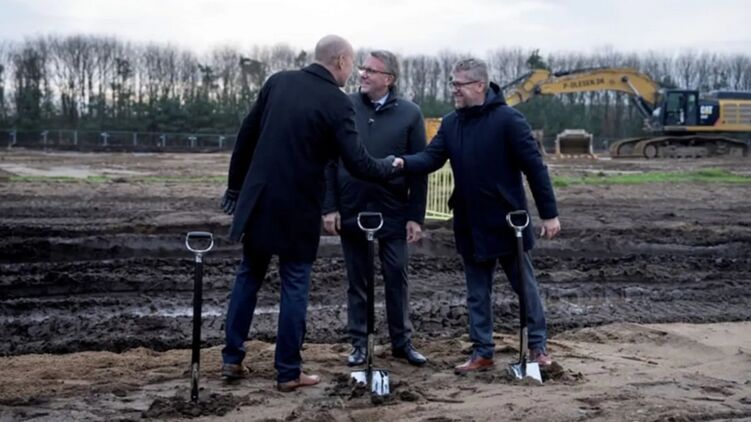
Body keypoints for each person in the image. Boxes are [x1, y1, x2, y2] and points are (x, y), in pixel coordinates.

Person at [219, 35, 397, 392]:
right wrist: (389, 166)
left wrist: (235, 187)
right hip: (298, 207)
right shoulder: (337, 101)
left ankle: (231, 358)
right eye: (353, 64)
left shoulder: (278, 82)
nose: (353, 71)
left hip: (259, 200)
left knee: (249, 276)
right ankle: (288, 372)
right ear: (341, 61)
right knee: (295, 284)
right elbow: (357, 162)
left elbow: (246, 135)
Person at [392, 58, 561, 374]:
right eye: (453, 84)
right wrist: (403, 162)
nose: (454, 90)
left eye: (459, 84)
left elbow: (535, 168)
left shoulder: (509, 120)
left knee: (525, 289)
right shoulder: (451, 123)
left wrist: (549, 214)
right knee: (477, 293)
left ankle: (538, 348)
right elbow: (431, 158)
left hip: (508, 222)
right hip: (469, 222)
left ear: (480, 85)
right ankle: (482, 352)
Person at [322, 50, 428, 367]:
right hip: (352, 207)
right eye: (363, 68)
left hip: (393, 209)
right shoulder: (344, 106)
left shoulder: (410, 114)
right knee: (358, 280)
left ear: (389, 79)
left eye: (371, 70)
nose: (363, 74)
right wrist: (330, 207)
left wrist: (415, 216)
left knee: (396, 275)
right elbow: (329, 161)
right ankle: (359, 344)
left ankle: (402, 343)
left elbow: (418, 168)